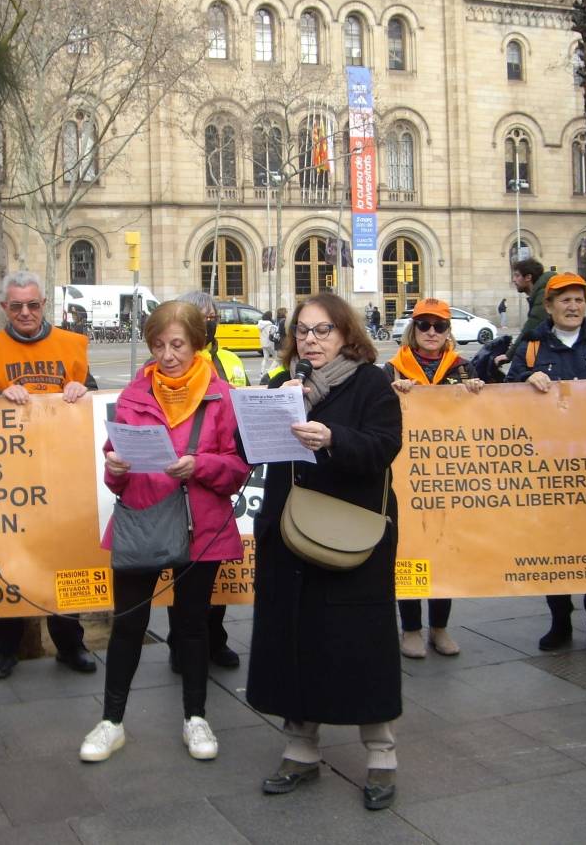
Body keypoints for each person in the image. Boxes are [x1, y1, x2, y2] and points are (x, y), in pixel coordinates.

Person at [247, 293, 403, 811]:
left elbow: (385, 446)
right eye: (304, 331)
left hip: (350, 531)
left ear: (346, 334)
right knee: (295, 638)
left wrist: (332, 437)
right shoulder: (280, 383)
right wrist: (274, 408)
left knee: (359, 642)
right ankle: (300, 750)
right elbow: (251, 450)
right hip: (288, 537)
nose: (311, 340)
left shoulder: (370, 382)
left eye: (323, 330)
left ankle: (381, 755)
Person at [79, 301, 248, 764]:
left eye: (177, 344)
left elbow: (237, 469)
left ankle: (196, 717)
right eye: (158, 345)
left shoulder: (223, 398)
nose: (167, 354)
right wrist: (114, 468)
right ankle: (111, 721)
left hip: (201, 526)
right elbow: (116, 471)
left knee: (192, 628)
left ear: (197, 345)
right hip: (143, 521)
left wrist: (201, 465)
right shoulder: (134, 395)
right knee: (128, 624)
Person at [0, 270, 98, 680]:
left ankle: (70, 644)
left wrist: (81, 391)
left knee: (65, 560)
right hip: (8, 479)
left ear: (44, 305)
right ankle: (5, 648)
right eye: (17, 305)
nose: (25, 312)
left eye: (33, 305)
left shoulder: (73, 345)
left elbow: (92, 397)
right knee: (7, 561)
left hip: (62, 474)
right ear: (4, 307)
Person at [507, 273, 586, 656]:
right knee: (553, 545)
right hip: (550, 464)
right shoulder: (530, 346)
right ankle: (560, 620)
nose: (573, 306)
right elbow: (507, 388)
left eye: (579, 299)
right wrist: (530, 378)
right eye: (565, 300)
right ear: (549, 306)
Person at [383, 298, 483, 660]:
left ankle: (440, 627)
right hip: (405, 477)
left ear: (448, 332)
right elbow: (378, 413)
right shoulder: (392, 369)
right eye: (424, 325)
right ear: (413, 329)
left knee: (445, 548)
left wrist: (478, 393)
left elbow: (487, 416)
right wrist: (392, 396)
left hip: (448, 474)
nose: (431, 332)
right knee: (409, 548)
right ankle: (411, 627)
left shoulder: (464, 368)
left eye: (438, 326)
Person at [165, 290, 247, 671]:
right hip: (172, 495)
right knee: (180, 581)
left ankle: (216, 639)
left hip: (216, 482)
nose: (208, 321)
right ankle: (180, 642)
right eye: (200, 315)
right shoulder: (163, 364)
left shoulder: (228, 361)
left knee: (211, 578)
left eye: (211, 315)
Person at [496, 258, 555, 366]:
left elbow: (532, 325)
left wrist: (509, 354)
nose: (514, 280)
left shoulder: (543, 293)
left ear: (528, 277)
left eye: (517, 275)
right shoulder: (540, 292)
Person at [259, 309, 276, 375]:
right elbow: (272, 334)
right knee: (276, 358)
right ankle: (270, 372)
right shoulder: (270, 325)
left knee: (265, 358)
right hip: (270, 343)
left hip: (263, 343)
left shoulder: (260, 324)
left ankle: (262, 372)